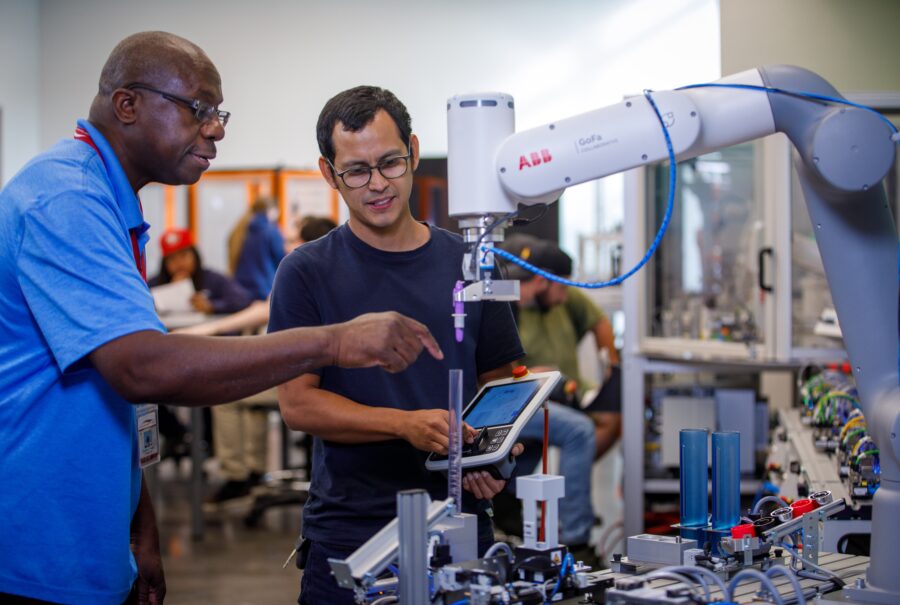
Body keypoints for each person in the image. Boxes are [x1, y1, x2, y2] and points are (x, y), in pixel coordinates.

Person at [0, 32, 441, 605]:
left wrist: (139, 524)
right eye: (199, 109)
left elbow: (110, 390)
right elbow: (142, 368)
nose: (217, 128)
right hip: (40, 552)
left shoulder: (110, 203)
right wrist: (332, 342)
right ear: (128, 105)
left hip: (93, 540)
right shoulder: (66, 198)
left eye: (218, 112)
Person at [268, 86, 524, 605]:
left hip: (459, 526)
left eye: (390, 163)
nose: (378, 184)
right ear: (328, 173)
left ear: (412, 150)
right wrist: (404, 424)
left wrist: (492, 453)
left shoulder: (470, 263)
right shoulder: (306, 273)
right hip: (353, 531)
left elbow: (502, 379)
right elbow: (298, 404)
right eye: (356, 171)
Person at [502, 235, 623, 461]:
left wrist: (611, 370)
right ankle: (567, 490)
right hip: (533, 393)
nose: (563, 297)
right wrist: (529, 377)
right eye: (562, 287)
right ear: (542, 281)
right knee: (578, 431)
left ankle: (570, 481)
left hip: (571, 388)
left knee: (615, 414)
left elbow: (599, 321)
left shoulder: (564, 298)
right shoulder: (509, 306)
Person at [150, 227, 254, 315]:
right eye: (171, 259)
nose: (179, 263)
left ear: (195, 255)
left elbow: (243, 299)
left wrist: (212, 306)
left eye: (183, 255)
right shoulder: (155, 284)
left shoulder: (212, 279)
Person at [229, 196, 284, 300]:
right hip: (264, 289)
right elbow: (282, 261)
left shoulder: (243, 229)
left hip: (241, 287)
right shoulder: (272, 231)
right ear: (271, 210)